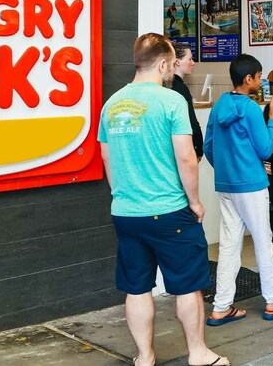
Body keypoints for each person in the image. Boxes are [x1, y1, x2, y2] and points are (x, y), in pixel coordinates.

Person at [97, 33, 228, 366]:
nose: (173, 70)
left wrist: (122, 195)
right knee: (187, 286)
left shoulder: (111, 104)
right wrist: (195, 201)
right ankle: (197, 353)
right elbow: (186, 159)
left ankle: (145, 357)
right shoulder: (171, 102)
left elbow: (108, 159)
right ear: (162, 63)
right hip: (170, 210)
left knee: (136, 288)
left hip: (126, 213)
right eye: (171, 64)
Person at [204, 53, 273, 326]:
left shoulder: (219, 105)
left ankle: (221, 306)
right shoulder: (248, 108)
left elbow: (210, 147)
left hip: (226, 186)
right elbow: (267, 148)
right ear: (248, 79)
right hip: (252, 185)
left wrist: (227, 169)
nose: (261, 81)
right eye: (259, 77)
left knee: (229, 246)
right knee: (263, 242)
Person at [170, 41, 204, 160]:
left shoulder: (169, 85)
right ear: (177, 62)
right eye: (189, 59)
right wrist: (199, 148)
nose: (193, 63)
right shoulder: (180, 88)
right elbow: (191, 121)